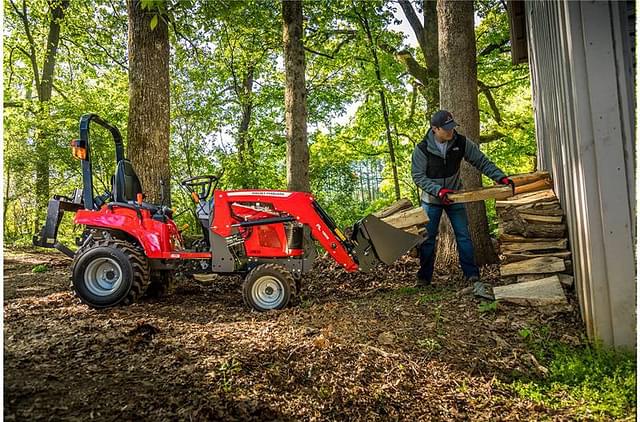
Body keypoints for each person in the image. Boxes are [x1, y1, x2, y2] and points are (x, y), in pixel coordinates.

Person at [411, 110, 513, 297]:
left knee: (464, 236)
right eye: (446, 129)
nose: (451, 132)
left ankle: (472, 276)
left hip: (455, 196)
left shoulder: (461, 142)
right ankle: (424, 278)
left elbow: (481, 161)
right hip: (432, 200)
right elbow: (418, 176)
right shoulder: (422, 148)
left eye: (452, 127)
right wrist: (438, 190)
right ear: (435, 129)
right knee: (427, 240)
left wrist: (501, 178)